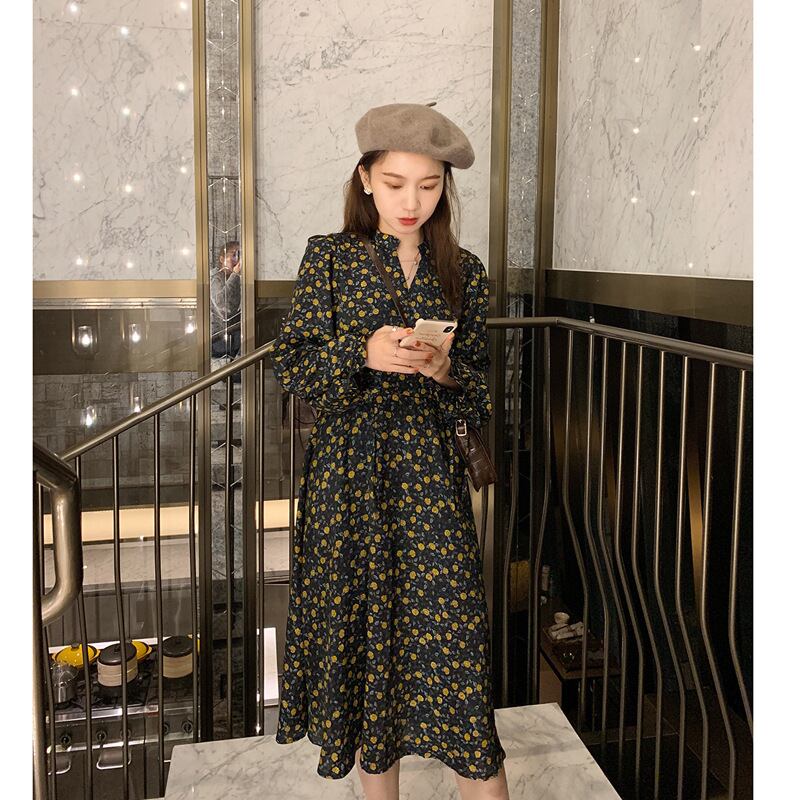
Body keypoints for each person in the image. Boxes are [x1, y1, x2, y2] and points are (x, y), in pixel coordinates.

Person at [272, 102, 510, 800]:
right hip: (349, 481)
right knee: (368, 653)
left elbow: (480, 395)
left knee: (456, 655)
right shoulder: (329, 257)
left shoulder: (465, 271)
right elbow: (293, 365)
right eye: (397, 183)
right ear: (366, 179)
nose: (413, 202)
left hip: (431, 480)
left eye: (429, 185)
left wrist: (445, 371)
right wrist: (362, 351)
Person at [210, 240, 241, 359]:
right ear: (222, 259)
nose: (237, 260)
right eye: (234, 255)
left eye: (239, 255)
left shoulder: (232, 277)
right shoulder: (215, 277)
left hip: (230, 336)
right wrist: (235, 275)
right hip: (218, 338)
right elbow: (223, 305)